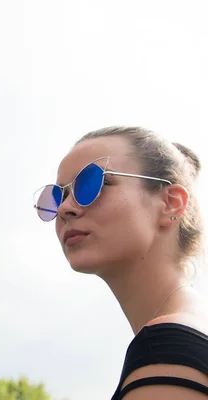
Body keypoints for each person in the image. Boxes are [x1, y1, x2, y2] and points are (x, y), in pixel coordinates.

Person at [33, 126, 208, 399]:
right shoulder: (188, 338)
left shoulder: (166, 353)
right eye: (58, 196)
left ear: (171, 203)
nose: (66, 208)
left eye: (93, 183)